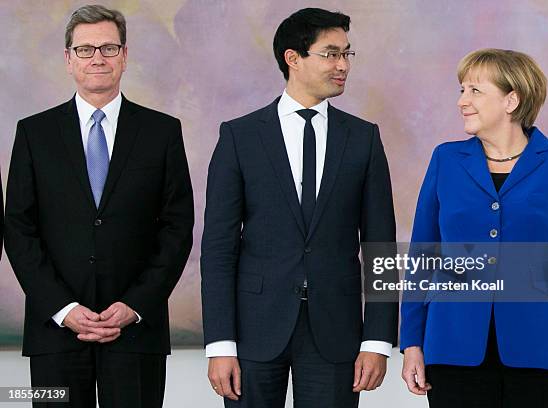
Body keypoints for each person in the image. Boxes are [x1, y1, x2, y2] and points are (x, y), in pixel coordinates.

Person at [201, 7, 397, 408]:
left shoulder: (363, 139)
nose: (343, 65)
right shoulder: (239, 137)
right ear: (293, 58)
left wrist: (378, 339)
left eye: (347, 54)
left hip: (337, 331)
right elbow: (218, 248)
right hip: (253, 330)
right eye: (330, 53)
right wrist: (219, 344)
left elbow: (382, 248)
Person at [4, 5, 194, 407]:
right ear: (68, 59)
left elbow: (177, 230)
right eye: (86, 49)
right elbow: (19, 230)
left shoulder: (162, 132)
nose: (98, 58)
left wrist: (135, 306)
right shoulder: (34, 133)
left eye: (109, 48)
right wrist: (63, 308)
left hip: (135, 331)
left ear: (124, 57)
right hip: (55, 332)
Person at [400, 48, 548, 407]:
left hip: (543, 345)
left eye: (474, 91)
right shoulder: (445, 159)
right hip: (452, 346)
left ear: (512, 100)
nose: (462, 101)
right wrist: (412, 341)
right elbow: (421, 257)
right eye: (461, 90)